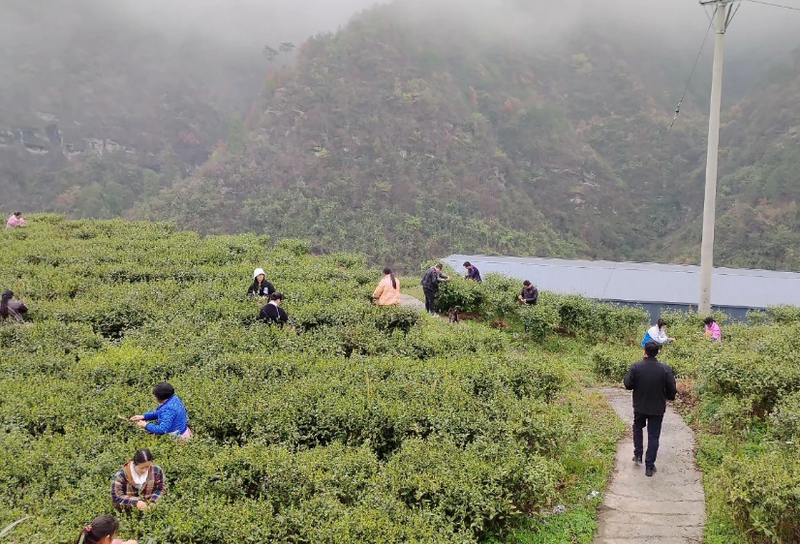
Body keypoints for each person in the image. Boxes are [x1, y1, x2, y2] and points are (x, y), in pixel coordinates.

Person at [623, 340, 677, 477]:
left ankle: (638, 454)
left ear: (644, 351)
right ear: (658, 352)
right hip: (657, 408)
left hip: (639, 406)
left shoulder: (636, 367)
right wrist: (668, 397)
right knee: (653, 436)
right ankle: (649, 466)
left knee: (637, 427)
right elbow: (672, 390)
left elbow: (628, 385)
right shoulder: (665, 369)